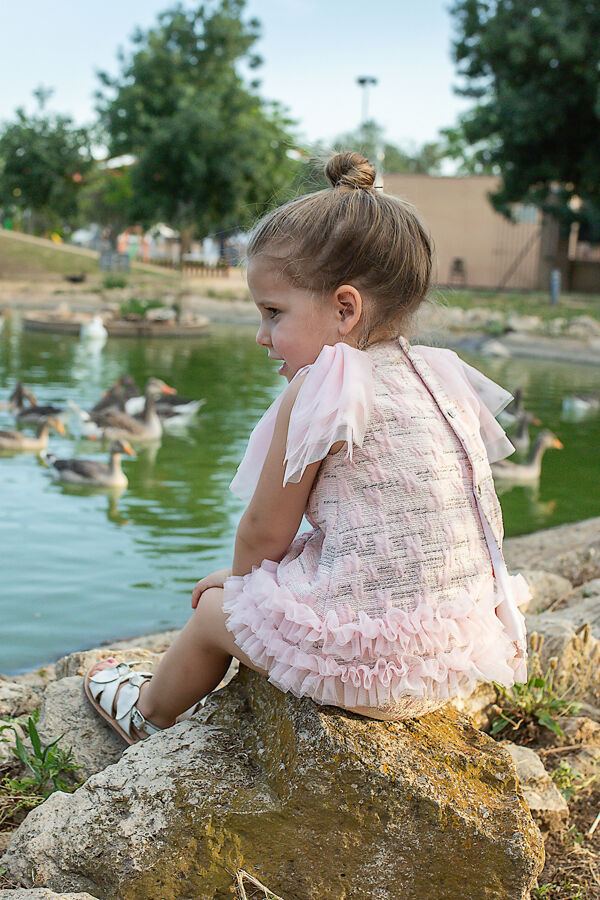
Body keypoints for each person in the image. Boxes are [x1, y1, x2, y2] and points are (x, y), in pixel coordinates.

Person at [85, 151, 528, 742]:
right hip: (452, 661)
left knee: (214, 612)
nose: (261, 336)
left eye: (273, 313)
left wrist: (243, 592)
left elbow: (263, 532)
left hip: (366, 675)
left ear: (345, 308)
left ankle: (148, 714)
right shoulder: (439, 375)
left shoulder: (325, 385)